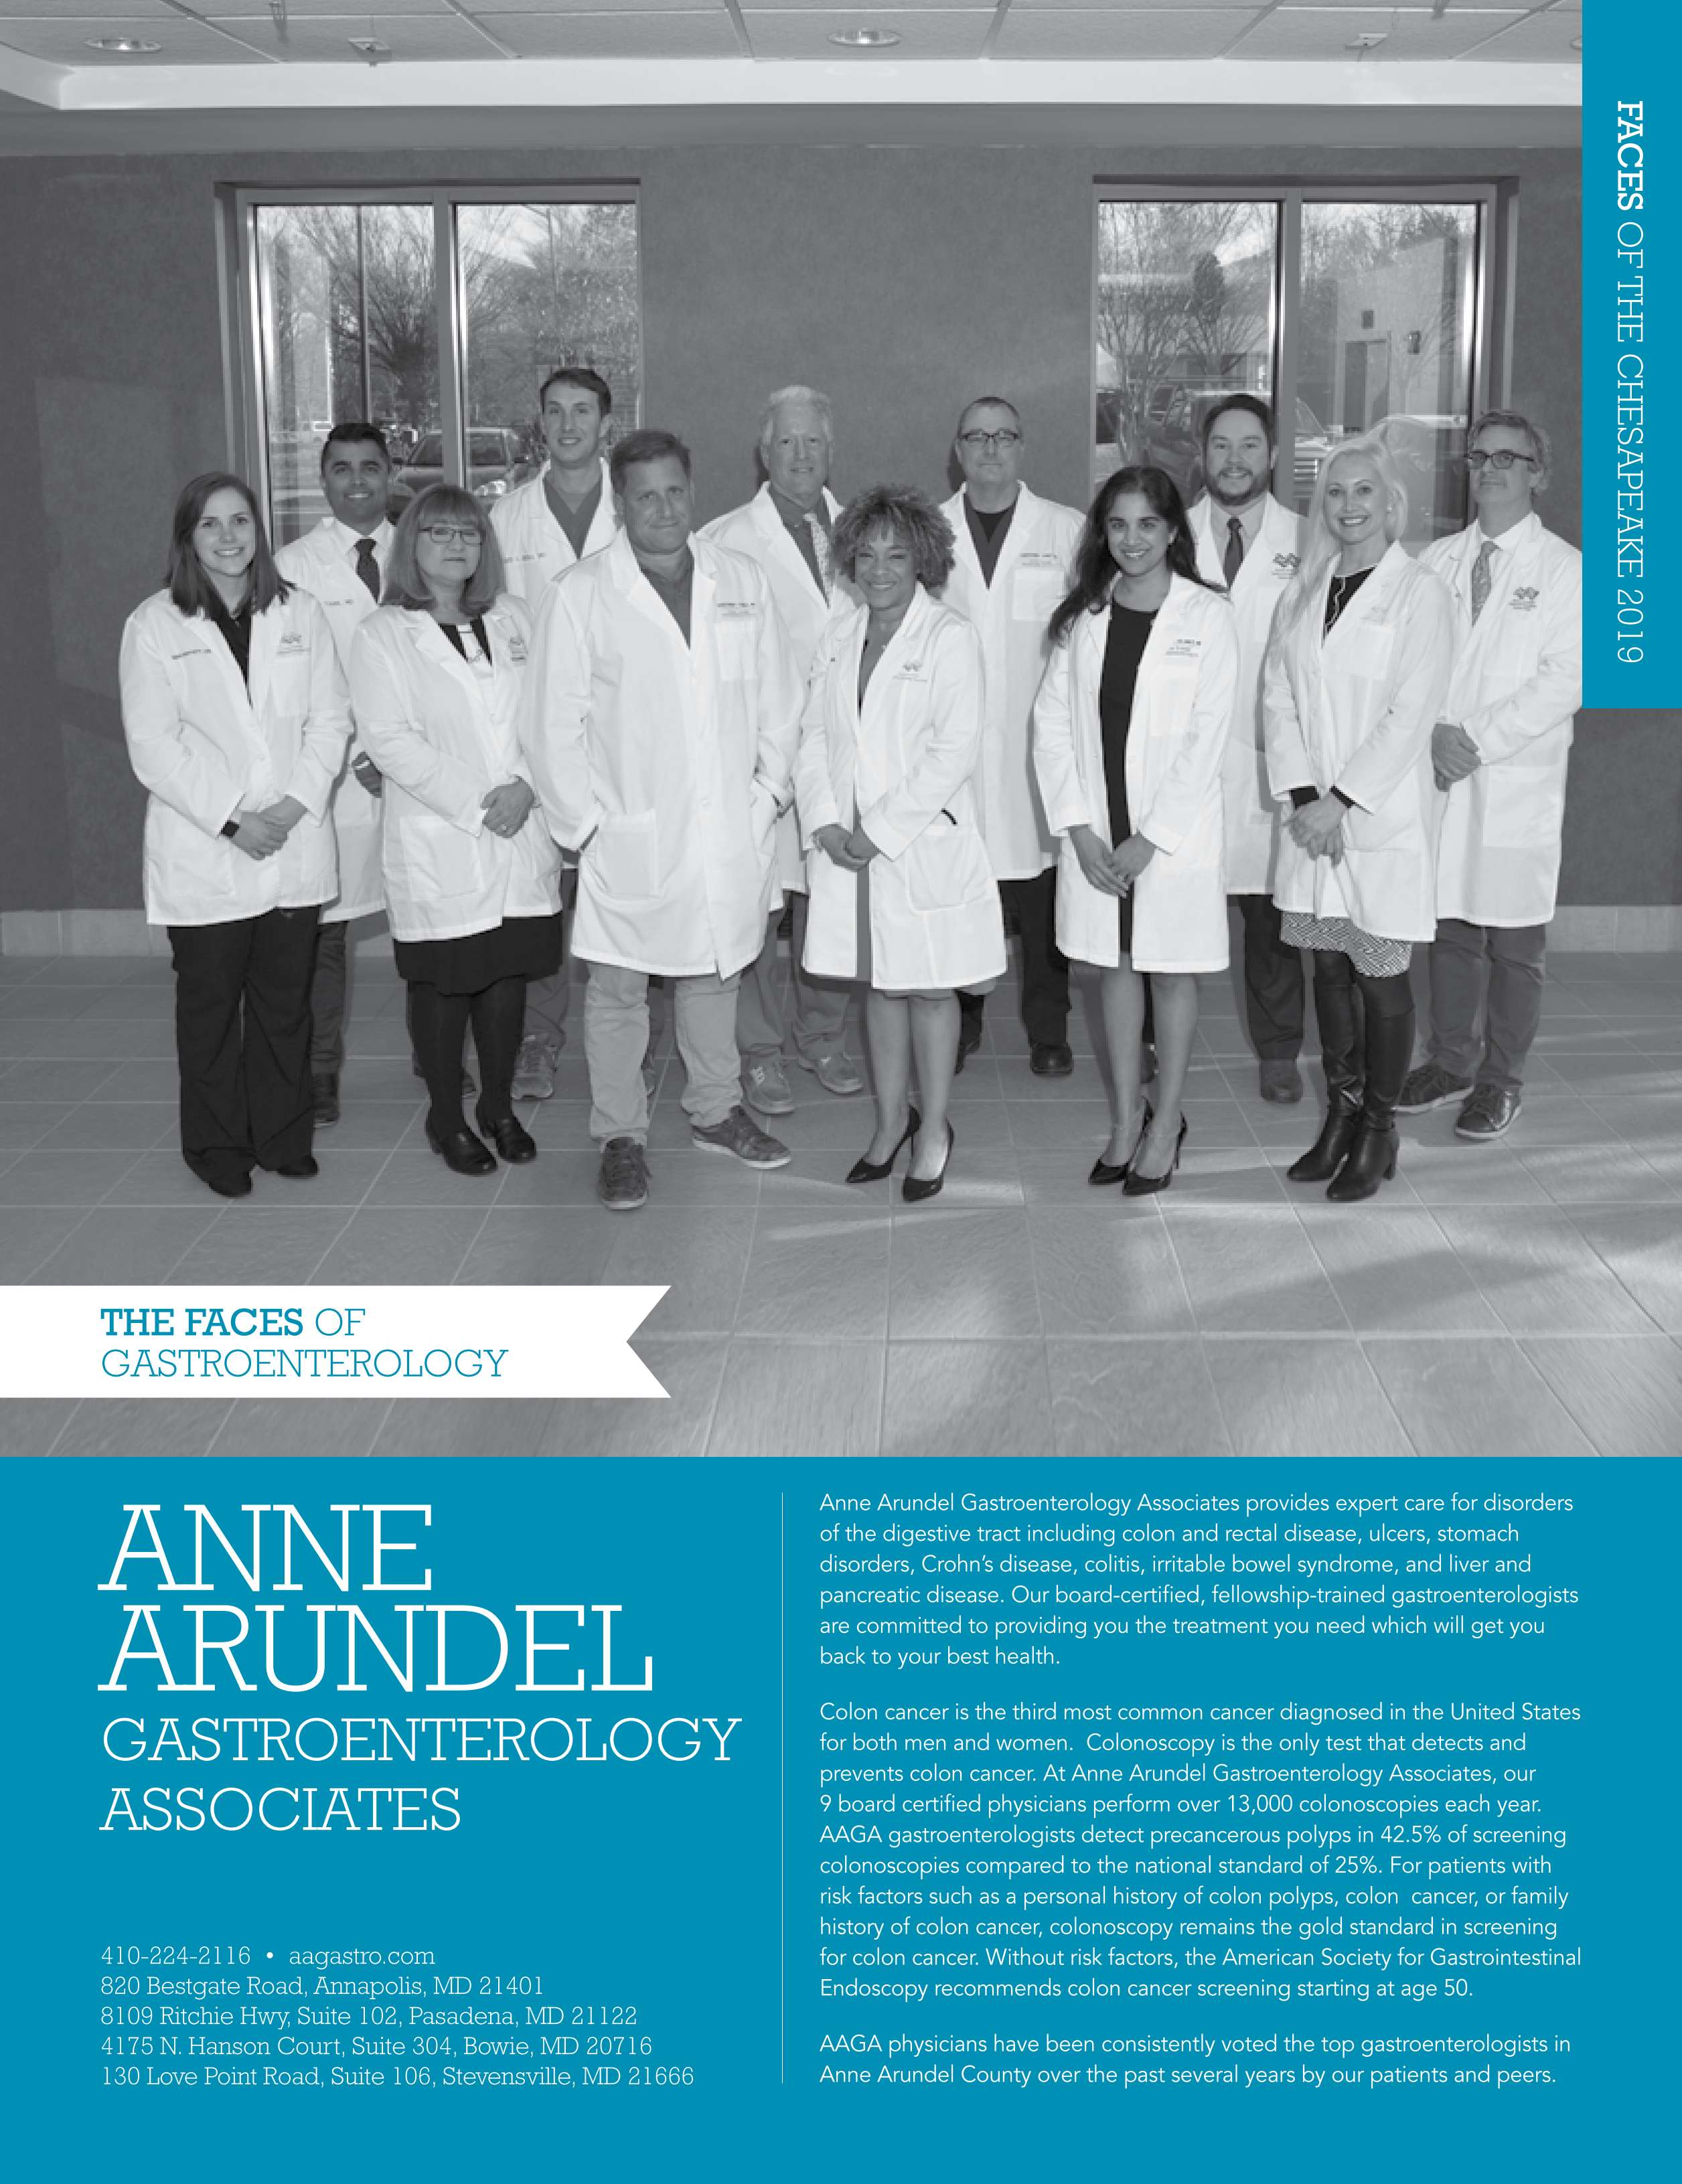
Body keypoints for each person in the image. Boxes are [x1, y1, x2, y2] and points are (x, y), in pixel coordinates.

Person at [522, 428, 804, 1212]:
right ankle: (621, 1135)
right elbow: (550, 726)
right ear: (620, 503)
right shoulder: (581, 593)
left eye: (675, 491)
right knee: (618, 987)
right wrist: (586, 829)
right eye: (645, 495)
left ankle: (715, 1109)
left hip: (728, 825)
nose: (664, 508)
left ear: (693, 490)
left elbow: (781, 699)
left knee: (715, 971)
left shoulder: (739, 579)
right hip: (628, 830)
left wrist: (766, 795)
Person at [119, 471, 350, 1198]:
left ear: (259, 530)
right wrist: (232, 819)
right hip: (207, 848)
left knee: (285, 1003)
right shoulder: (154, 624)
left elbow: (331, 719)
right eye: (211, 524)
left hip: (291, 837)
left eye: (240, 521)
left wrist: (292, 806)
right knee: (211, 1009)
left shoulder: (300, 611)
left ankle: (284, 1137)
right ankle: (217, 1147)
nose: (228, 537)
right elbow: (154, 746)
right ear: (187, 537)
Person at [795, 485, 1005, 1202]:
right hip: (846, 846)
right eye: (866, 554)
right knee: (881, 986)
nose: (879, 569)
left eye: (896, 554)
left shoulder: (949, 637)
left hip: (915, 843)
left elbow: (953, 752)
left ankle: (935, 1129)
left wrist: (878, 831)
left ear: (923, 560)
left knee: (929, 988)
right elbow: (814, 735)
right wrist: (824, 819)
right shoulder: (839, 636)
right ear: (849, 561)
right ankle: (890, 1124)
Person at [1033, 467, 1237, 1196]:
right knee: (1113, 969)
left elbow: (1208, 737)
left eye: (1148, 524)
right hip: (1098, 827)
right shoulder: (1083, 615)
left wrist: (1152, 837)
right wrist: (1078, 829)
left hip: (1169, 835)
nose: (1132, 539)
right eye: (1118, 524)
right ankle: (1125, 1121)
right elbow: (1051, 724)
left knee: (1171, 972)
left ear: (1174, 530)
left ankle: (1166, 1122)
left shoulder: (1207, 616)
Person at [1263, 435, 1456, 1201]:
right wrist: (1304, 799)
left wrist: (1339, 801)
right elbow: (1277, 695)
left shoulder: (1419, 593)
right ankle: (1339, 1116)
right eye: (1336, 492)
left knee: (1378, 977)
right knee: (1329, 970)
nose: (1348, 505)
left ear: (1390, 501)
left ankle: (1378, 1127)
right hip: (1314, 822)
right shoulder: (1303, 591)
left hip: (1374, 819)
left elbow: (1411, 713)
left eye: (1363, 490)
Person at [349, 485, 561, 1176]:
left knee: (505, 978)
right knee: (445, 982)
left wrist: (525, 786)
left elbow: (552, 713)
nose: (456, 545)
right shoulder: (383, 633)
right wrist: (480, 804)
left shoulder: (516, 617)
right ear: (411, 544)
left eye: (468, 533)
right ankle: (446, 1116)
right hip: (443, 833)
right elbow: (389, 740)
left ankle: (497, 1108)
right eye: (439, 532)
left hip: (520, 826)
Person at [1399, 410, 1583, 1139]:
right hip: (1442, 772)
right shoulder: (1434, 562)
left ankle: (1501, 1081)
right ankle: (1450, 1062)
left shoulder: (1565, 570)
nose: (1492, 468)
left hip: (1512, 780)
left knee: (1513, 944)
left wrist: (1470, 740)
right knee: (1449, 930)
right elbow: (1409, 664)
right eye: (1480, 456)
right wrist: (1433, 733)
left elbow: (1564, 680)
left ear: (1539, 475)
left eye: (1510, 457)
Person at [699, 386, 864, 1113]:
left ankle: (822, 1035)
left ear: (831, 451)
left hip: (839, 752)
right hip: (761, 754)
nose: (801, 455)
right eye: (786, 442)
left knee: (830, 900)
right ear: (763, 453)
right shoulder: (723, 541)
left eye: (813, 442)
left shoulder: (862, 532)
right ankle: (760, 1051)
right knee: (759, 911)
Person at [274, 422, 420, 1127]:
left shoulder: (424, 549)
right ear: (323, 478)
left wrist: (396, 752)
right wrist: (355, 750)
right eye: (342, 468)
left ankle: (436, 1053)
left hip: (416, 769)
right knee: (325, 932)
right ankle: (320, 1068)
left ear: (391, 473)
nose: (357, 480)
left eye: (370, 466)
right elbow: (290, 681)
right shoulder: (292, 565)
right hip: (335, 776)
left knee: (427, 921)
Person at [940, 397, 1085, 1078]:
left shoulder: (1066, 530)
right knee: (962, 892)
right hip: (956, 751)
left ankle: (1048, 1030)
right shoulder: (930, 532)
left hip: (1037, 751)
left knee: (1042, 903)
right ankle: (960, 1021)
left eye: (1003, 436)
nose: (991, 448)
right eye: (977, 437)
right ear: (958, 450)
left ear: (1022, 446)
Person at [490, 367, 621, 1104]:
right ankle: (539, 1037)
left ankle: (634, 1038)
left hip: (624, 732)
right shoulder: (506, 519)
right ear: (539, 423)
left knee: (626, 887)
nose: (568, 425)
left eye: (583, 411)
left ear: (606, 423)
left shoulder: (636, 508)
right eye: (555, 412)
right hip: (537, 732)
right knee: (544, 894)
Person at [1184, 395, 1310, 1103]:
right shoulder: (1167, 534)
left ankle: (1278, 1050)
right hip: (1187, 757)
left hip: (1270, 758)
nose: (1234, 460)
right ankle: (1151, 1041)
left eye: (1249, 446)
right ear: (1202, 455)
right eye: (1221, 446)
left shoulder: (1310, 539)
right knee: (1173, 908)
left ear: (1272, 455)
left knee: (1271, 920)